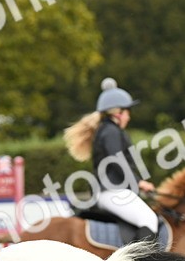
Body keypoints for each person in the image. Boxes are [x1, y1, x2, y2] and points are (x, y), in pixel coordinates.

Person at [64, 77, 158, 242]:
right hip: (112, 192)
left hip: (114, 191)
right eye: (127, 112)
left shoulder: (108, 130)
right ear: (118, 113)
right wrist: (139, 182)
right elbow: (117, 161)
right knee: (149, 219)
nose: (129, 117)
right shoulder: (111, 132)